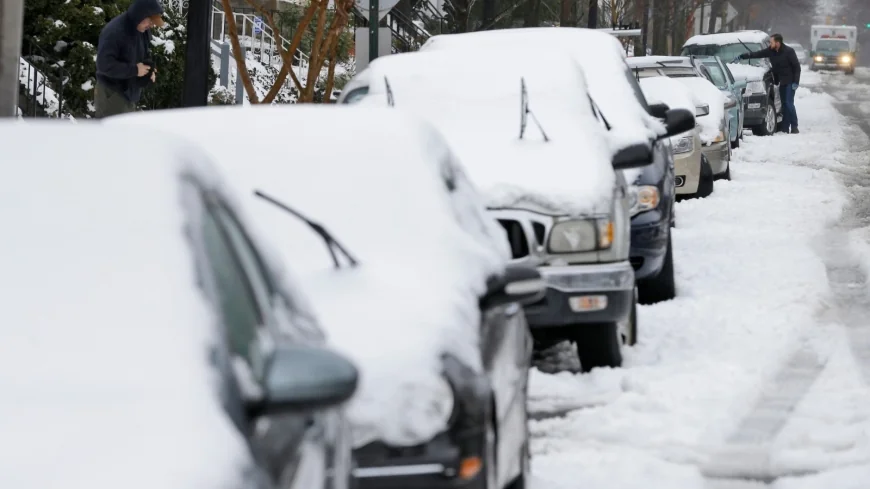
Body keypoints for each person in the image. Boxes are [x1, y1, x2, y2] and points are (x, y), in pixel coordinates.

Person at [94, 0, 165, 119]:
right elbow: (104, 65)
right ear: (140, 15)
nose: (151, 26)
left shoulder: (143, 30)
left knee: (125, 135)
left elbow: (144, 54)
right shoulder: (114, 32)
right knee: (110, 135)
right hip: (112, 94)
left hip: (130, 92)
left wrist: (150, 69)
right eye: (150, 22)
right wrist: (135, 70)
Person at [734, 33, 802, 134]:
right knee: (784, 105)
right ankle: (785, 127)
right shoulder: (771, 51)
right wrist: (743, 56)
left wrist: (796, 82)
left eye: (771, 42)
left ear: (777, 43)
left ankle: (794, 126)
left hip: (790, 81)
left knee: (789, 104)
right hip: (781, 81)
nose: (770, 44)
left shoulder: (789, 51)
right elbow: (757, 54)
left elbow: (797, 67)